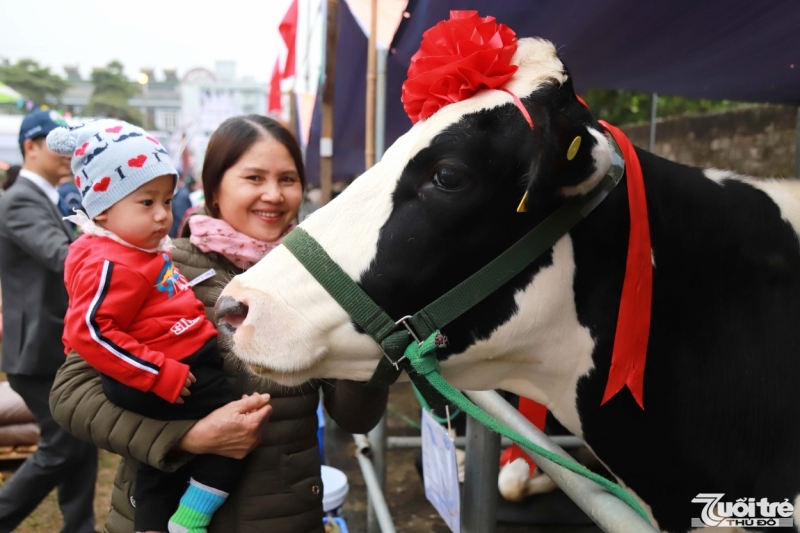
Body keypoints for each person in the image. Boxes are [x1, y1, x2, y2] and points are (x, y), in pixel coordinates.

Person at [50, 115, 389, 533]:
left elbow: (354, 419)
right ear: (213, 188)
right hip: (159, 509)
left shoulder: (317, 279)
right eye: (254, 177)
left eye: (287, 179)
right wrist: (187, 437)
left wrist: (371, 332)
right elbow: (71, 394)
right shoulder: (157, 265)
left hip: (281, 517)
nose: (273, 194)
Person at [49, 119, 248, 533]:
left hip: (171, 365)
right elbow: (90, 331)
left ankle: (154, 526)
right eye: (146, 202)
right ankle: (190, 519)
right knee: (241, 424)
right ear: (102, 209)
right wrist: (157, 373)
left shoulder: (140, 251)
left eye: (167, 200)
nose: (163, 215)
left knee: (158, 469)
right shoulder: (111, 261)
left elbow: (164, 300)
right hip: (165, 371)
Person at [0, 110, 98, 533]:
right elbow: (63, 258)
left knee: (81, 438)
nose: (68, 153)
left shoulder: (48, 196)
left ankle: (79, 527)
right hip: (37, 348)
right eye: (56, 144)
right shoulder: (21, 198)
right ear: (30, 147)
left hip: (53, 342)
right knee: (61, 446)